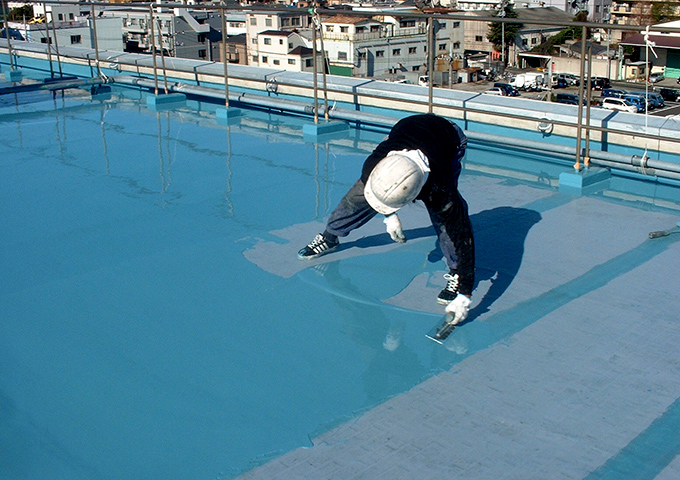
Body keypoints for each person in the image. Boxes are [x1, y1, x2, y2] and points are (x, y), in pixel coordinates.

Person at [298, 113, 474, 325]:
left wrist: (465, 293)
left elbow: (462, 234)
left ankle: (456, 271)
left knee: (446, 220)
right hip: (408, 129)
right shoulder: (374, 165)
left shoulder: (440, 188)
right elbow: (383, 189)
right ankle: (330, 236)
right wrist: (389, 216)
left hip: (449, 138)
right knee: (357, 197)